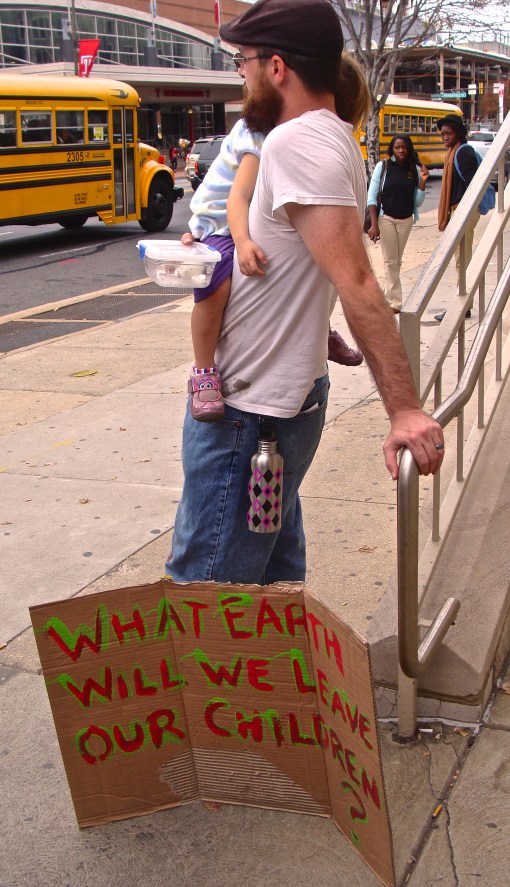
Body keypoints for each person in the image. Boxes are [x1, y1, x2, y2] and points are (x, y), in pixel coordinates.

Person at [165, 0, 444, 587]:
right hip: (274, 407)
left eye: (243, 62)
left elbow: (357, 280)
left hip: (249, 414)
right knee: (271, 588)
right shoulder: (332, 138)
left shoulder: (296, 142)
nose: (241, 76)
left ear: (278, 67)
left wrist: (404, 409)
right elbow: (307, 259)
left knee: (207, 596)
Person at [185, 54, 366, 422]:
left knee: (312, 264)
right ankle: (203, 370)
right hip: (222, 224)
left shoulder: (305, 140)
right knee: (215, 284)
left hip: (246, 219)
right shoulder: (262, 134)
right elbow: (238, 198)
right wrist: (242, 241)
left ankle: (319, 331)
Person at [366, 135, 429, 314]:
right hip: (386, 218)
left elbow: (417, 202)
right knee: (390, 261)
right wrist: (374, 225)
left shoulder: (414, 169)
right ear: (392, 149)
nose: (401, 151)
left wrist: (423, 182)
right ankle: (394, 302)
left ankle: (386, 295)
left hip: (406, 220)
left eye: (404, 147)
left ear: (409, 149)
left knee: (395, 262)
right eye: (397, 147)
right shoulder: (383, 167)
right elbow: (371, 198)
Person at [435, 114, 479, 322]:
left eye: (449, 133)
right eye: (442, 134)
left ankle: (462, 306)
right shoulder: (452, 153)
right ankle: (464, 305)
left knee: (463, 260)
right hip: (458, 210)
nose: (445, 137)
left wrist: (464, 211)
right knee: (461, 259)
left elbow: (474, 184)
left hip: (464, 209)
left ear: (458, 133)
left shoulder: (463, 152)